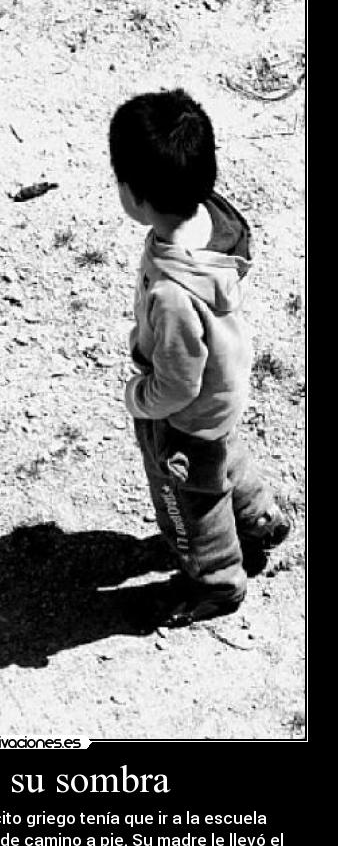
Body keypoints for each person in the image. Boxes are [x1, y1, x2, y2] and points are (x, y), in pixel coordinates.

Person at [108, 88, 290, 627]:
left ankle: (216, 581)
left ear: (136, 197)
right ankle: (260, 518)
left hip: (185, 415)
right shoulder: (213, 222)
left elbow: (177, 384)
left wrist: (140, 399)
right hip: (222, 388)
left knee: (188, 501)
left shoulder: (173, 294)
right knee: (224, 455)